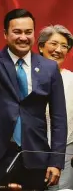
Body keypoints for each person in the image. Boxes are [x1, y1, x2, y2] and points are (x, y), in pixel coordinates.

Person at [0, 0, 67, 190]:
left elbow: (59, 118)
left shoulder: (49, 68)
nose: (23, 37)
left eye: (28, 32)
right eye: (17, 32)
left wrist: (56, 160)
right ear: (5, 34)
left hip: (35, 153)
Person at [37, 24, 73, 190]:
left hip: (65, 151)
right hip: (31, 150)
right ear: (41, 46)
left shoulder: (71, 80)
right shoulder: (26, 75)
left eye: (64, 46)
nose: (58, 49)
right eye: (54, 43)